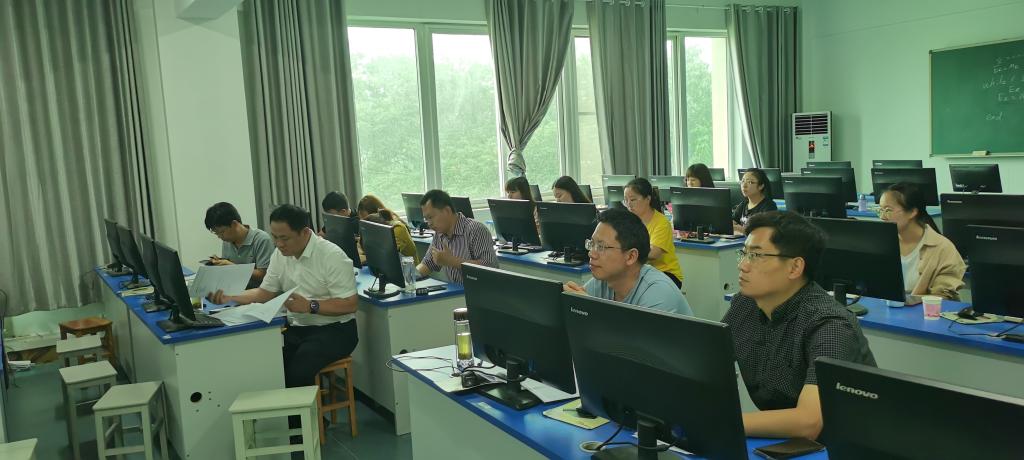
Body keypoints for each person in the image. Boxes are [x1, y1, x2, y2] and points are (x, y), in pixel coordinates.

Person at [724, 211, 875, 440]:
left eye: (756, 255)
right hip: (787, 441)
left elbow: (809, 422)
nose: (742, 265)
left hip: (846, 444)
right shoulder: (745, 304)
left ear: (795, 267)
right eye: (744, 253)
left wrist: (723, 420)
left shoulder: (830, 324)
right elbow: (704, 359)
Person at [208, 204, 359, 389]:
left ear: (305, 232)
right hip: (297, 326)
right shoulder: (280, 255)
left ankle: (305, 409)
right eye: (275, 237)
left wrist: (311, 306)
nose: (279, 244)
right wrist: (230, 297)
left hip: (335, 329)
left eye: (284, 238)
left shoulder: (332, 256)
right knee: (266, 364)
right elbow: (264, 293)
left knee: (297, 372)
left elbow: (350, 304)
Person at [564, 208, 692, 315]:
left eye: (601, 247)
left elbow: (632, 337)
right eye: (592, 244)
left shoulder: (658, 293)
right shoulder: (603, 281)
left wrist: (588, 307)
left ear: (631, 256)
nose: (591, 253)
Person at [879, 183, 966, 301]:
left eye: (888, 210)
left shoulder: (943, 248)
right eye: (880, 210)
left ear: (912, 212)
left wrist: (912, 301)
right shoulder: (881, 243)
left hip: (923, 311)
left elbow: (943, 296)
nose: (882, 217)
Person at [416, 189, 498, 284]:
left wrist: (451, 261)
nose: (429, 223)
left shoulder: (475, 230)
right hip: (456, 291)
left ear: (447, 211)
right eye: (426, 219)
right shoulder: (439, 234)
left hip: (480, 290)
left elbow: (490, 268)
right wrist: (409, 277)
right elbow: (427, 264)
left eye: (430, 217)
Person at [623, 178, 684, 288]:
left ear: (647, 199)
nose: (628, 204)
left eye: (633, 200)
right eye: (625, 200)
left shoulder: (661, 222)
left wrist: (625, 253)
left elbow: (653, 253)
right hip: (642, 272)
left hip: (665, 273)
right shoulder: (630, 222)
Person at [204, 202, 274, 288]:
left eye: (221, 232)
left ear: (234, 224)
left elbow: (263, 274)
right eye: (216, 233)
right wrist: (219, 262)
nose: (219, 236)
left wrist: (233, 267)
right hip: (236, 288)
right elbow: (228, 267)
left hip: (258, 291)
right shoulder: (227, 241)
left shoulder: (261, 239)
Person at [733, 168, 778, 232]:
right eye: (742, 181)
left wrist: (741, 229)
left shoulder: (769, 206)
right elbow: (732, 222)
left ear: (761, 186)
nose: (744, 185)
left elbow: (764, 232)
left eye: (750, 182)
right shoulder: (743, 204)